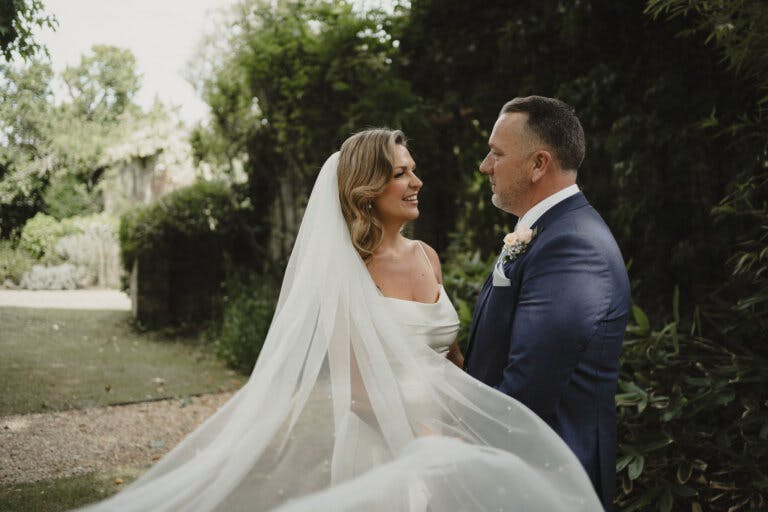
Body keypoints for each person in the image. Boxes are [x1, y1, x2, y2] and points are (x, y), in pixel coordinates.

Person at [76, 128, 601, 511]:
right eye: (401, 173)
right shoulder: (350, 272)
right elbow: (355, 388)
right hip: (385, 442)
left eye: (412, 169)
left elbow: (451, 357)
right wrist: (422, 443)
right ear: (367, 188)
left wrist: (470, 423)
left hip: (445, 439)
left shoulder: (427, 257)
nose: (416, 180)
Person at [463, 96, 632, 511]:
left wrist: (450, 440)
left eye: (497, 154)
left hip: (548, 483)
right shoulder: (546, 231)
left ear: (539, 164)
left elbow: (527, 390)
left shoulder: (573, 245)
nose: (485, 165)